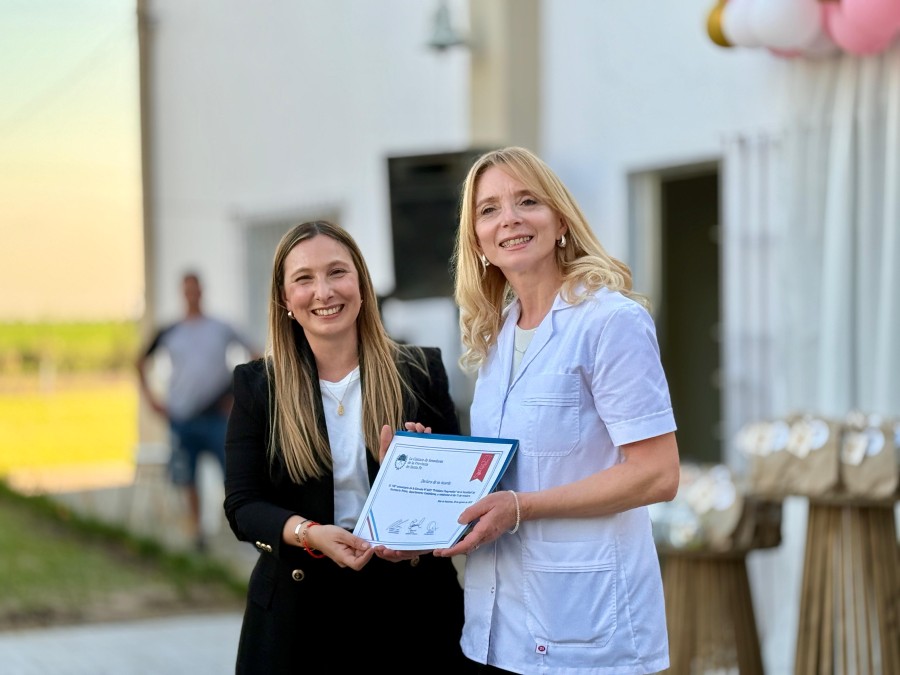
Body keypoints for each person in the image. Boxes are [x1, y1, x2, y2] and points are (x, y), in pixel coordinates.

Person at [434, 147, 681, 674]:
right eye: (489, 209)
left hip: (589, 627)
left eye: (528, 201)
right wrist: (425, 466)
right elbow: (507, 470)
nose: (510, 219)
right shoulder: (496, 336)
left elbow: (657, 475)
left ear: (561, 220)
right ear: (476, 239)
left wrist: (522, 508)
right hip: (498, 630)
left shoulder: (609, 322)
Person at [223, 220, 468, 673]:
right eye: (304, 278)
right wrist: (309, 533)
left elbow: (459, 502)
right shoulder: (259, 386)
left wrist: (425, 470)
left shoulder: (419, 371)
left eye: (337, 272)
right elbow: (242, 504)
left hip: (412, 610)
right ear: (284, 300)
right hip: (299, 615)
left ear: (361, 283)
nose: (324, 291)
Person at [136, 271, 259, 551]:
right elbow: (140, 361)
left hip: (216, 415)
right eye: (187, 289)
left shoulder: (221, 327)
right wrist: (152, 400)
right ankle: (196, 533)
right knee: (187, 476)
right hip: (182, 417)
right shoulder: (170, 330)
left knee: (232, 473)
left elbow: (255, 354)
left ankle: (242, 526)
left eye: (196, 289)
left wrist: (239, 395)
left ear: (202, 291)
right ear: (183, 293)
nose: (192, 294)